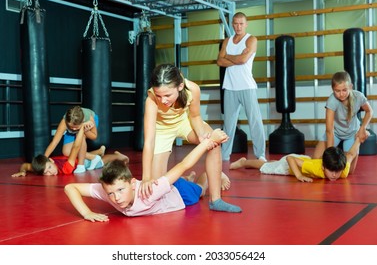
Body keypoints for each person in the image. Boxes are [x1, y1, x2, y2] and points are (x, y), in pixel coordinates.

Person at [64, 128, 241, 222]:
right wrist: (87, 213)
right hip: (167, 183)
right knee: (175, 180)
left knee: (201, 191)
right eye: (111, 193)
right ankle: (188, 179)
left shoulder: (149, 193)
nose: (116, 198)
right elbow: (70, 187)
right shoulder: (108, 191)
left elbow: (183, 164)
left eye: (120, 190)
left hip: (180, 195)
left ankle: (214, 176)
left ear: (133, 184)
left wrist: (210, 141)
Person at [141, 63, 241, 213]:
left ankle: (216, 200)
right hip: (162, 129)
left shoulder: (192, 89)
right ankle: (192, 179)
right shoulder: (151, 100)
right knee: (157, 188)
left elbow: (195, 116)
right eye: (159, 95)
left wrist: (203, 136)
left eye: (167, 95)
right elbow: (149, 141)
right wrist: (146, 177)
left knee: (213, 142)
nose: (163, 100)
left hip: (184, 122)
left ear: (180, 86)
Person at [216, 11, 266, 162]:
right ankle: (224, 156)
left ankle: (261, 155)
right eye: (236, 23)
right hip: (230, 87)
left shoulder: (251, 39)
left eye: (241, 24)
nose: (238, 26)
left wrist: (228, 57)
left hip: (247, 86)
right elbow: (219, 61)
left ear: (246, 24)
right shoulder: (227, 41)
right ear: (232, 24)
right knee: (228, 124)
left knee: (255, 121)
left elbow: (243, 60)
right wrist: (235, 59)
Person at [229, 133, 367, 182]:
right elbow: (290, 160)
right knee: (265, 167)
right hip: (289, 165)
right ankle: (243, 162)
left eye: (337, 171)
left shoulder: (342, 169)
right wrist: (299, 176)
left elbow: (350, 154)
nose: (335, 175)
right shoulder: (315, 167)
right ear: (324, 167)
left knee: (273, 162)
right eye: (332, 171)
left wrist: (358, 140)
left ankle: (265, 162)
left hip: (302, 159)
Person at [313, 71, 373, 173]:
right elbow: (329, 130)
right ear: (333, 89)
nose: (341, 94)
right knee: (316, 160)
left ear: (350, 86)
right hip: (335, 133)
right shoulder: (332, 101)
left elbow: (369, 111)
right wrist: (330, 157)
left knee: (348, 170)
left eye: (344, 90)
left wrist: (362, 128)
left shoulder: (358, 96)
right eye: (337, 91)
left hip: (352, 133)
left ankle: (357, 140)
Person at [12, 125, 129, 177]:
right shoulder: (40, 167)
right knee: (78, 155)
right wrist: (22, 171)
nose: (49, 172)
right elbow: (26, 166)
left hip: (81, 163)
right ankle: (98, 151)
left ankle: (118, 156)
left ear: (51, 160)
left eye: (49, 168)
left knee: (101, 162)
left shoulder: (65, 169)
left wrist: (81, 132)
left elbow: (75, 148)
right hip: (75, 159)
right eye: (45, 173)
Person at [44, 106, 101, 174]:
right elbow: (54, 142)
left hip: (87, 129)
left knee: (79, 135)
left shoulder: (89, 118)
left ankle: (81, 165)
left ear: (82, 121)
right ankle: (93, 157)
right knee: (66, 152)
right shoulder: (64, 122)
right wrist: (44, 159)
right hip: (71, 132)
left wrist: (84, 129)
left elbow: (94, 136)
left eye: (76, 127)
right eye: (70, 127)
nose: (73, 129)